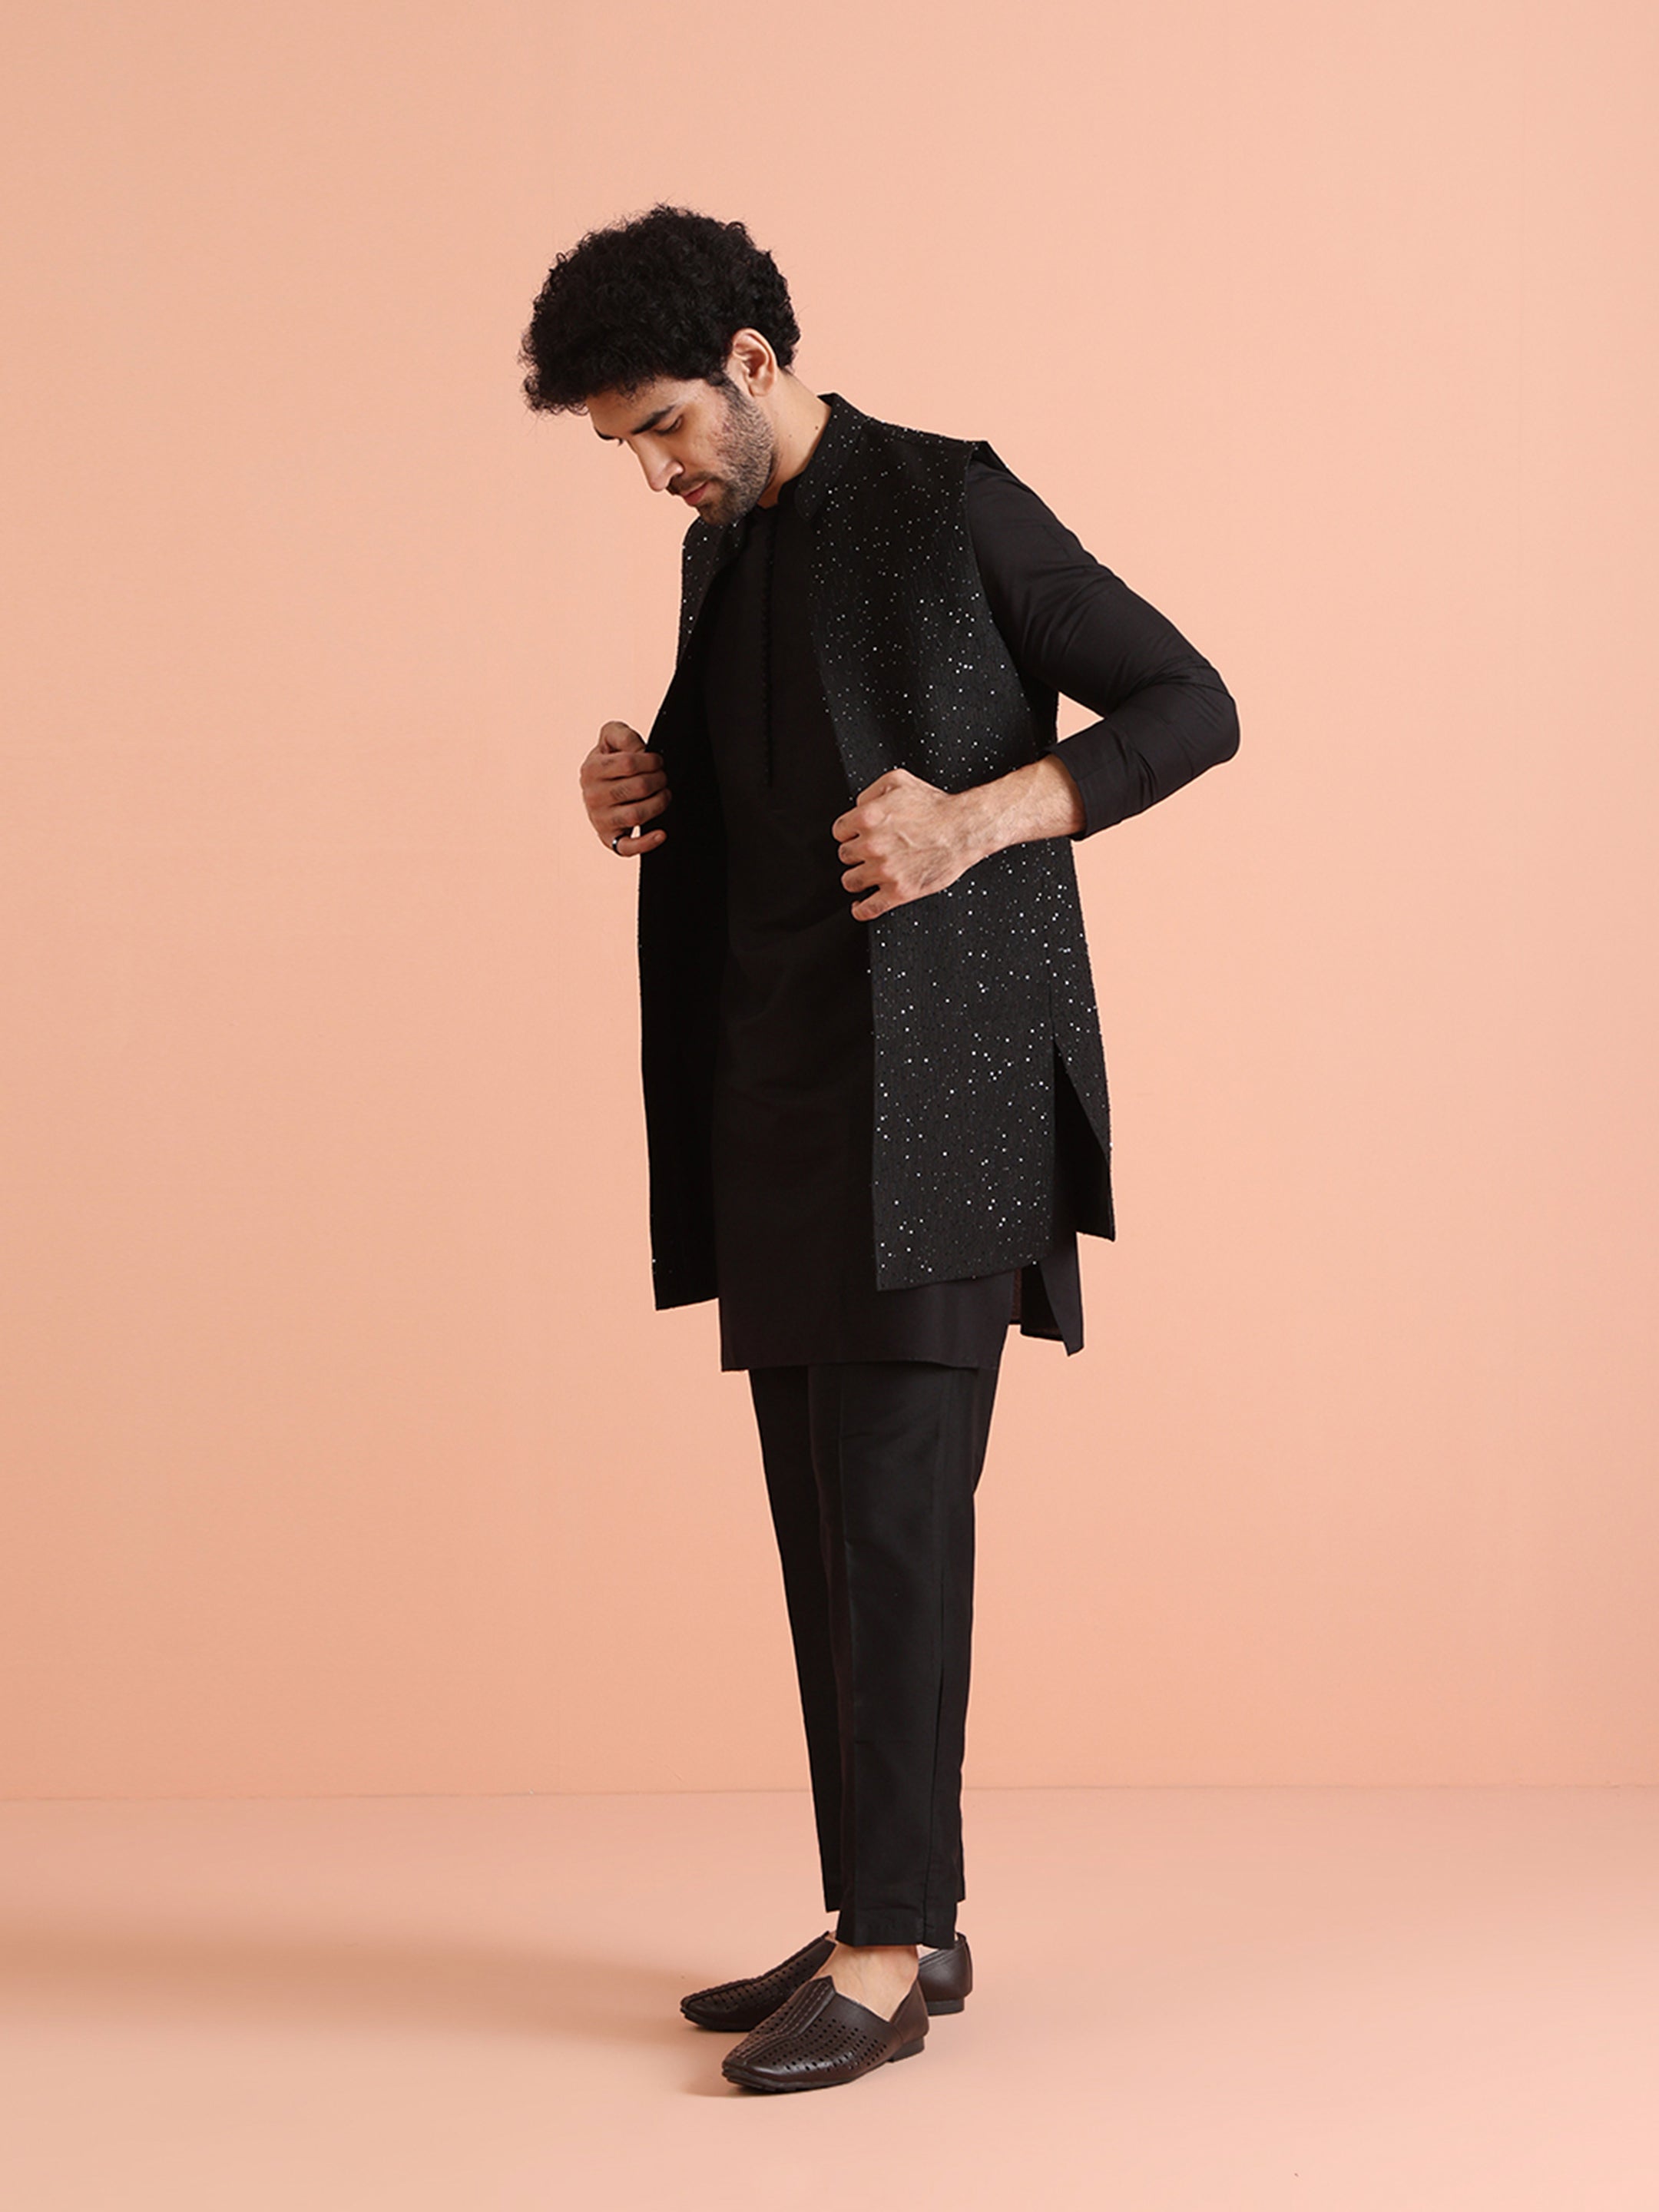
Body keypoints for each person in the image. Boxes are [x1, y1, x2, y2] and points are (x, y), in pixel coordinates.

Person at [520, 204, 1239, 2094]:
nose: (656, 474)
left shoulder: (952, 498)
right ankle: (890, 1905)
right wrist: (646, 787)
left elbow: (1194, 705)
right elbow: (768, 787)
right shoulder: (724, 547)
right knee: (826, 1536)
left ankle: (889, 1948)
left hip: (944, 1104)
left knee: (901, 1528)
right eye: (624, 448)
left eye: (665, 426)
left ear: (754, 364)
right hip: (771, 1103)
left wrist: (980, 820)